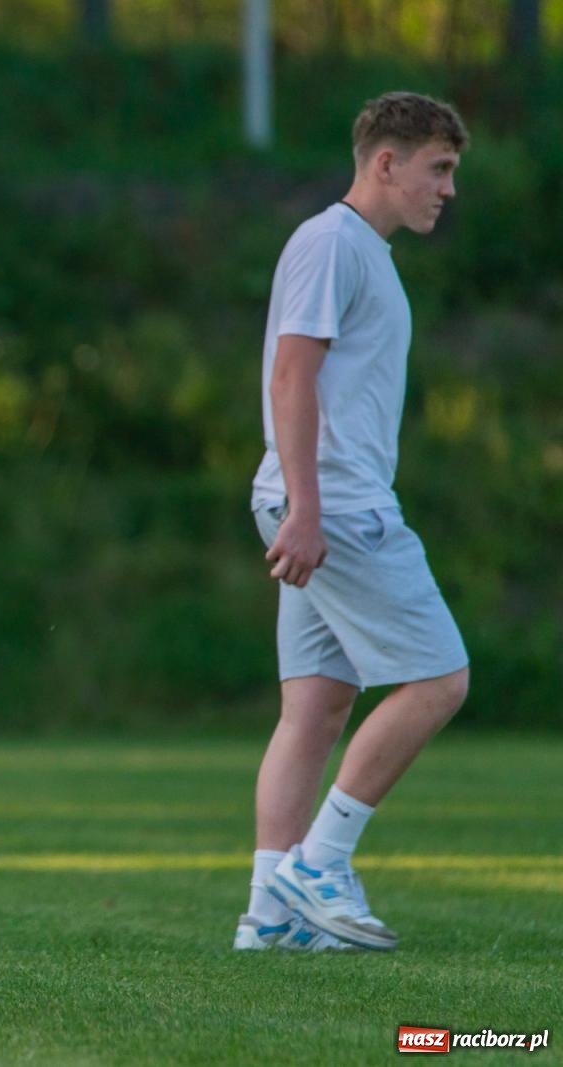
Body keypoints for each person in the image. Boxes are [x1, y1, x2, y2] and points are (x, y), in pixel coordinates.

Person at [235, 92, 471, 953]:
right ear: (386, 162)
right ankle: (320, 862)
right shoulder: (333, 243)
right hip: (335, 506)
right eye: (437, 169)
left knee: (318, 706)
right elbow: (292, 378)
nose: (446, 188)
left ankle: (270, 915)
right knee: (440, 679)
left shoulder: (363, 253)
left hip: (322, 501)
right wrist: (305, 506)